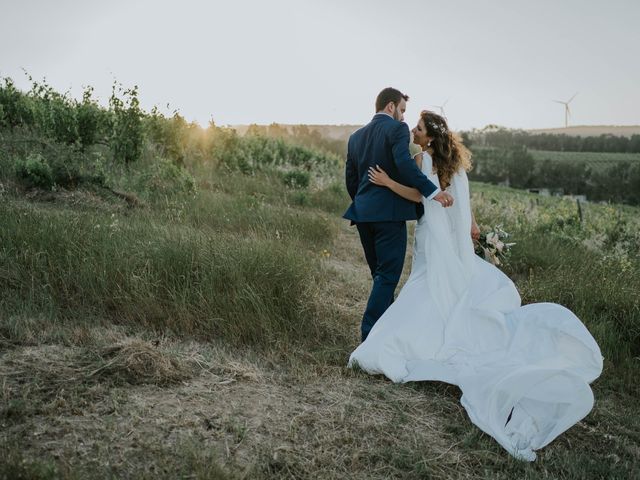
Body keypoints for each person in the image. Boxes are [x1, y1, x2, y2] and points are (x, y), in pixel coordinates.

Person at [348, 110, 603, 461]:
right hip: (449, 239)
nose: (414, 131)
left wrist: (387, 183)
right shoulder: (454, 164)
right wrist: (472, 225)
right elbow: (460, 198)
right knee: (442, 289)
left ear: (430, 137)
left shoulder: (422, 159)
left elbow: (420, 195)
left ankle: (391, 343)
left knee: (426, 287)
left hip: (433, 237)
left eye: (419, 128)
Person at [343, 88, 454, 342]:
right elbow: (404, 164)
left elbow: (351, 179)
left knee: (380, 277)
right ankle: (369, 339)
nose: (404, 117)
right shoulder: (396, 129)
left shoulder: (355, 137)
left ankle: (385, 332)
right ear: (391, 106)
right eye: (402, 110)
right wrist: (432, 191)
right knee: (388, 277)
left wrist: (363, 203)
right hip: (389, 216)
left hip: (362, 214)